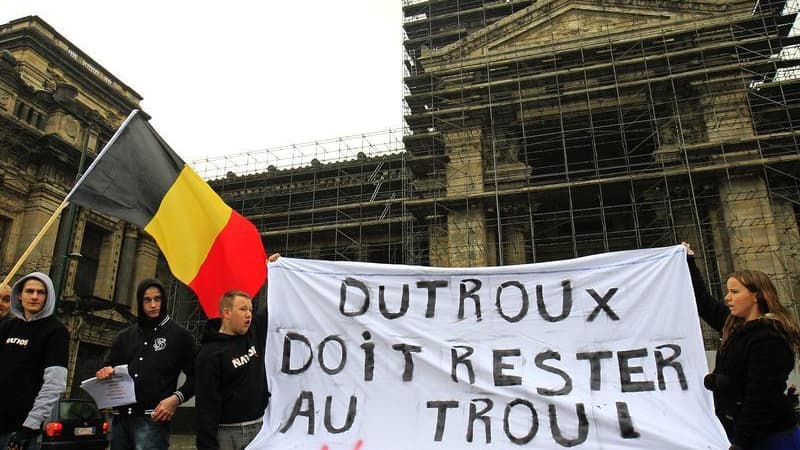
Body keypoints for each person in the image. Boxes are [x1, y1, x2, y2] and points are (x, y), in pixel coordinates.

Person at [683, 242, 800, 449]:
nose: (727, 297)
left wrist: (741, 444)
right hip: (741, 433)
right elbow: (703, 301)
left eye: (735, 292)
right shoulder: (732, 324)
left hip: (769, 438)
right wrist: (688, 261)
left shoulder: (768, 338)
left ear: (757, 296)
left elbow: (761, 398)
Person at [95, 278, 196, 450]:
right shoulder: (124, 336)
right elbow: (108, 368)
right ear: (140, 302)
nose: (153, 304)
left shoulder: (180, 336)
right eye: (147, 300)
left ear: (164, 301)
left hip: (153, 419)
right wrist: (104, 373)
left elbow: (198, 376)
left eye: (157, 299)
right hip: (120, 421)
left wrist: (175, 399)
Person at [195, 254, 278, 450]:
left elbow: (272, 307)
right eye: (242, 309)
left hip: (259, 427)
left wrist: (273, 273)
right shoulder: (209, 354)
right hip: (226, 434)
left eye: (250, 309)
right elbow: (206, 407)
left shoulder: (253, 332)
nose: (249, 314)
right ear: (226, 313)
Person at [0, 272, 69, 450]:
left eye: (41, 292)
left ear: (49, 297)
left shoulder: (56, 332)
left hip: (20, 430)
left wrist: (30, 426)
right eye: (29, 291)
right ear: (19, 295)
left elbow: (54, 384)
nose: (34, 296)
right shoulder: (7, 327)